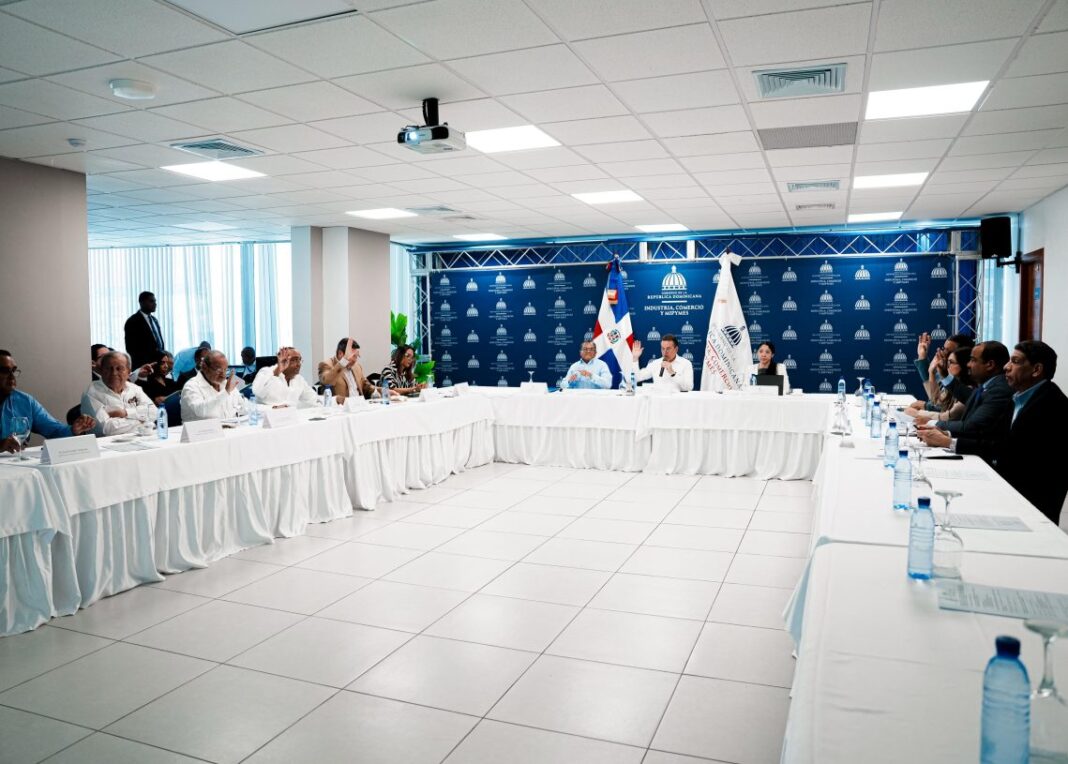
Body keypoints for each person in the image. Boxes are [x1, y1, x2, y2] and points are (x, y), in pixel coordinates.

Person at [995, 341, 1068, 525]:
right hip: (1007, 495)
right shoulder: (1016, 399)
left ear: (1036, 370)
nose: (1006, 367)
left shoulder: (1053, 405)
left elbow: (1018, 457)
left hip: (1030, 512)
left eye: (1015, 361)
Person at [918, 340, 1013, 462]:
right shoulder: (988, 386)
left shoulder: (999, 389)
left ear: (990, 365)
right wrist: (944, 375)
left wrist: (933, 424)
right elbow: (968, 396)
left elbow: (972, 427)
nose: (968, 364)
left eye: (973, 360)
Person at [1, 349, 95, 451]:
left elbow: (53, 430)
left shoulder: (25, 401)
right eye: (5, 371)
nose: (12, 377)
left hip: (15, 460)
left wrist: (73, 429)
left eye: (13, 371)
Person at [82, 351, 157, 437]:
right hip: (107, 443)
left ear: (128, 372)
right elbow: (105, 429)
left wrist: (124, 413)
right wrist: (141, 421)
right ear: (102, 370)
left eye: (119, 368)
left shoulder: (135, 389)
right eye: (108, 368)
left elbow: (154, 413)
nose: (114, 373)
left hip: (138, 439)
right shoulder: (92, 392)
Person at [911, 346, 974, 424]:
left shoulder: (968, 390)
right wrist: (931, 372)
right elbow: (937, 402)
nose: (947, 366)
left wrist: (917, 413)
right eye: (947, 362)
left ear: (964, 365)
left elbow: (947, 417)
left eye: (951, 362)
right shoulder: (952, 384)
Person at [181, 350, 243, 421]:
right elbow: (200, 411)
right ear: (205, 367)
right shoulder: (191, 386)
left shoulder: (226, 383)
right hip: (202, 428)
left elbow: (243, 407)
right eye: (219, 371)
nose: (223, 375)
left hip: (230, 426)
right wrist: (225, 392)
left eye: (226, 370)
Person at [252, 347, 319, 408]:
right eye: (294, 360)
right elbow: (258, 392)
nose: (299, 364)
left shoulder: (299, 379)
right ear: (281, 360)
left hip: (291, 416)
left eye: (299, 360)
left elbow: (312, 398)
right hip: (267, 416)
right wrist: (277, 371)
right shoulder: (266, 372)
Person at [914, 331, 973, 400]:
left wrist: (931, 372)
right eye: (944, 349)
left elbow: (936, 403)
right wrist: (922, 355)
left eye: (948, 351)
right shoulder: (945, 375)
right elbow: (933, 395)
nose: (943, 353)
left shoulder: (966, 387)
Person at [319, 337, 373, 402]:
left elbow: (365, 385)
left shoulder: (357, 366)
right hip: (342, 406)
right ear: (340, 353)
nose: (355, 360)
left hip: (360, 404)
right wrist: (344, 361)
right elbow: (327, 381)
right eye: (353, 356)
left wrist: (381, 390)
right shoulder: (326, 364)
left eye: (356, 356)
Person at [123, 291, 166, 369]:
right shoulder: (133, 321)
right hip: (144, 365)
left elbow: (158, 342)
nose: (155, 304)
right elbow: (131, 347)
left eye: (155, 301)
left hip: (158, 363)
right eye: (151, 301)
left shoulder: (154, 320)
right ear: (142, 303)